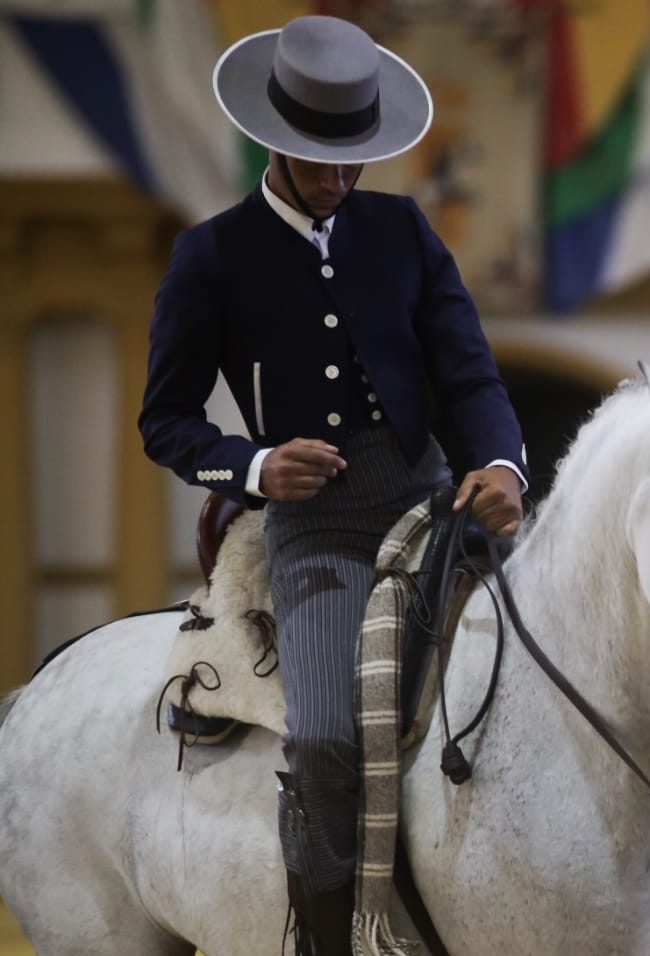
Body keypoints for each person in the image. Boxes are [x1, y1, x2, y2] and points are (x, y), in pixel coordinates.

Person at [137, 15, 526, 954]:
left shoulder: (403, 230)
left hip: (432, 500)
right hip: (317, 529)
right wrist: (256, 466)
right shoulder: (212, 255)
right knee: (322, 739)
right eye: (320, 157)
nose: (341, 176)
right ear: (273, 139)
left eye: (354, 156)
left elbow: (468, 373)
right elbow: (166, 422)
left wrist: (503, 463)